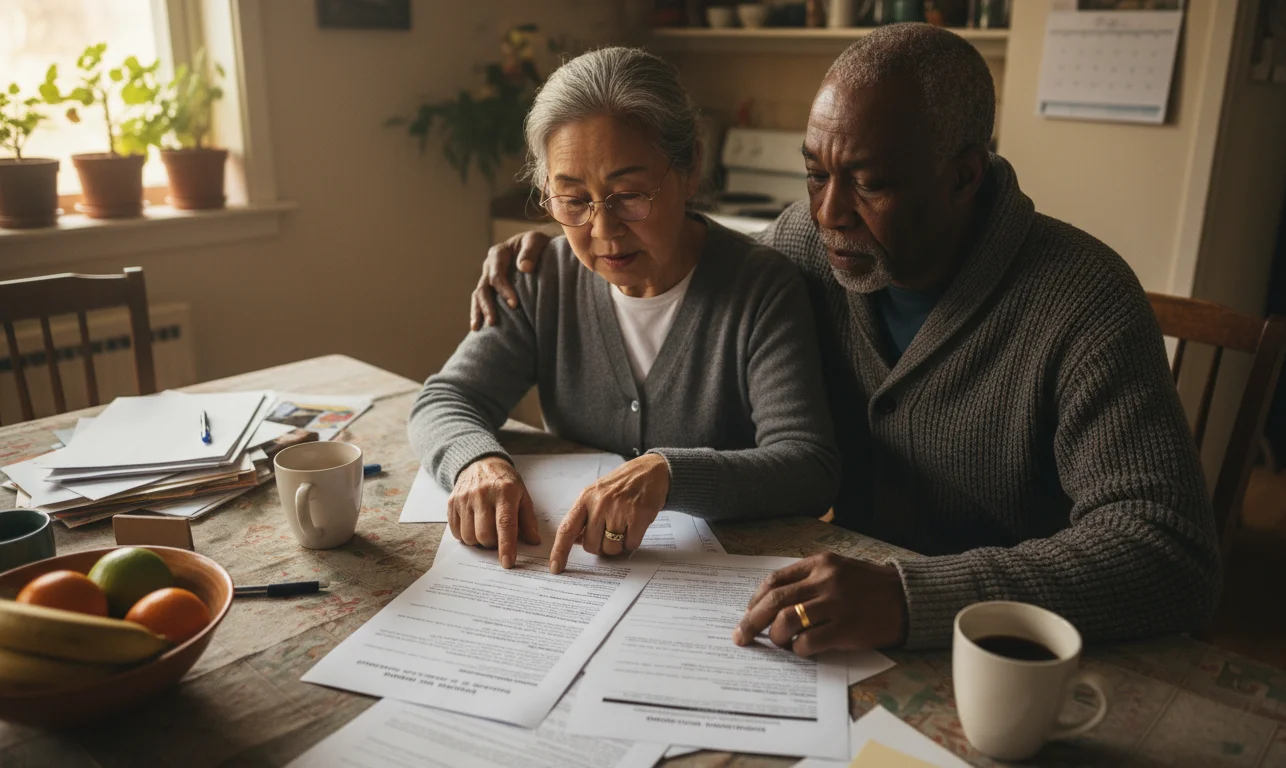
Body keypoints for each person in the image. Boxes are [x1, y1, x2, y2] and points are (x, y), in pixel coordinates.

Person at [469, 24, 1222, 651]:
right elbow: (695, 260)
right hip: (841, 633)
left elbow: (1169, 555)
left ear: (965, 177)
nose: (830, 211)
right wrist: (552, 246)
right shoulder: (802, 247)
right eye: (813, 173)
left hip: (1019, 648)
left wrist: (909, 596)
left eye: (870, 182)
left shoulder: (1082, 300)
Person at [409, 47, 839, 573]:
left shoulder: (759, 288)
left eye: (629, 194)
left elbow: (807, 465)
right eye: (572, 199)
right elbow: (446, 398)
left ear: (689, 167)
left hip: (711, 583)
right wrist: (476, 462)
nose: (603, 229)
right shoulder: (544, 278)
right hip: (572, 581)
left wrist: (667, 474)